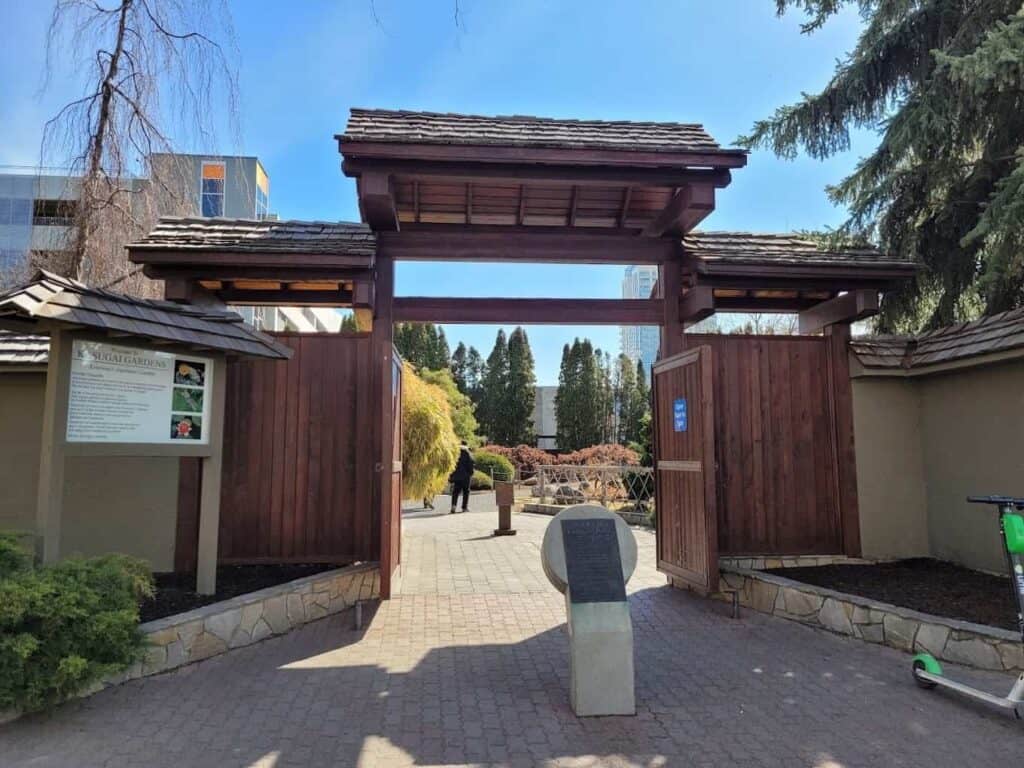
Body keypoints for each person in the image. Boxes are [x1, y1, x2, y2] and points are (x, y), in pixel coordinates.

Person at [449, 441, 475, 514]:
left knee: (455, 491)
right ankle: (464, 507)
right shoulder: (467, 452)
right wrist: (471, 473)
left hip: (457, 475)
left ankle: (453, 507)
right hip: (465, 476)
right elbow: (471, 463)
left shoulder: (455, 452)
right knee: (466, 491)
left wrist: (452, 476)